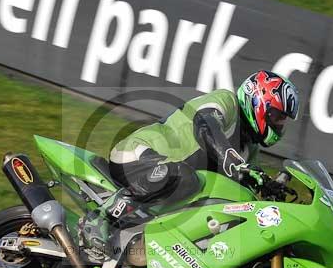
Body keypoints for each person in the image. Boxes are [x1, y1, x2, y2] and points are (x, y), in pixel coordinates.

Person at [81, 70, 301, 253]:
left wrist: (269, 189)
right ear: (257, 101)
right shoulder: (226, 101)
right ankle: (101, 217)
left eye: (283, 120)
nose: (279, 124)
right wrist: (232, 160)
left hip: (166, 185)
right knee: (184, 176)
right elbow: (205, 125)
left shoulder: (248, 149)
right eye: (277, 116)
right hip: (137, 155)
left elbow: (246, 189)